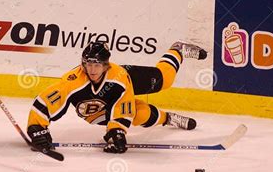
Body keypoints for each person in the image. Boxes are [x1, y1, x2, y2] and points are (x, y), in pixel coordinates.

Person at [27, 40, 207, 154]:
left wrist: (117, 133)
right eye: (88, 64)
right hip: (102, 107)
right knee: (141, 114)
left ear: (106, 65)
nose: (91, 70)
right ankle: (167, 118)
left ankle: (177, 50)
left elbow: (124, 106)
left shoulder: (118, 76)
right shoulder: (73, 79)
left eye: (97, 65)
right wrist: (37, 128)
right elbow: (46, 100)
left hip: (126, 79)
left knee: (165, 80)